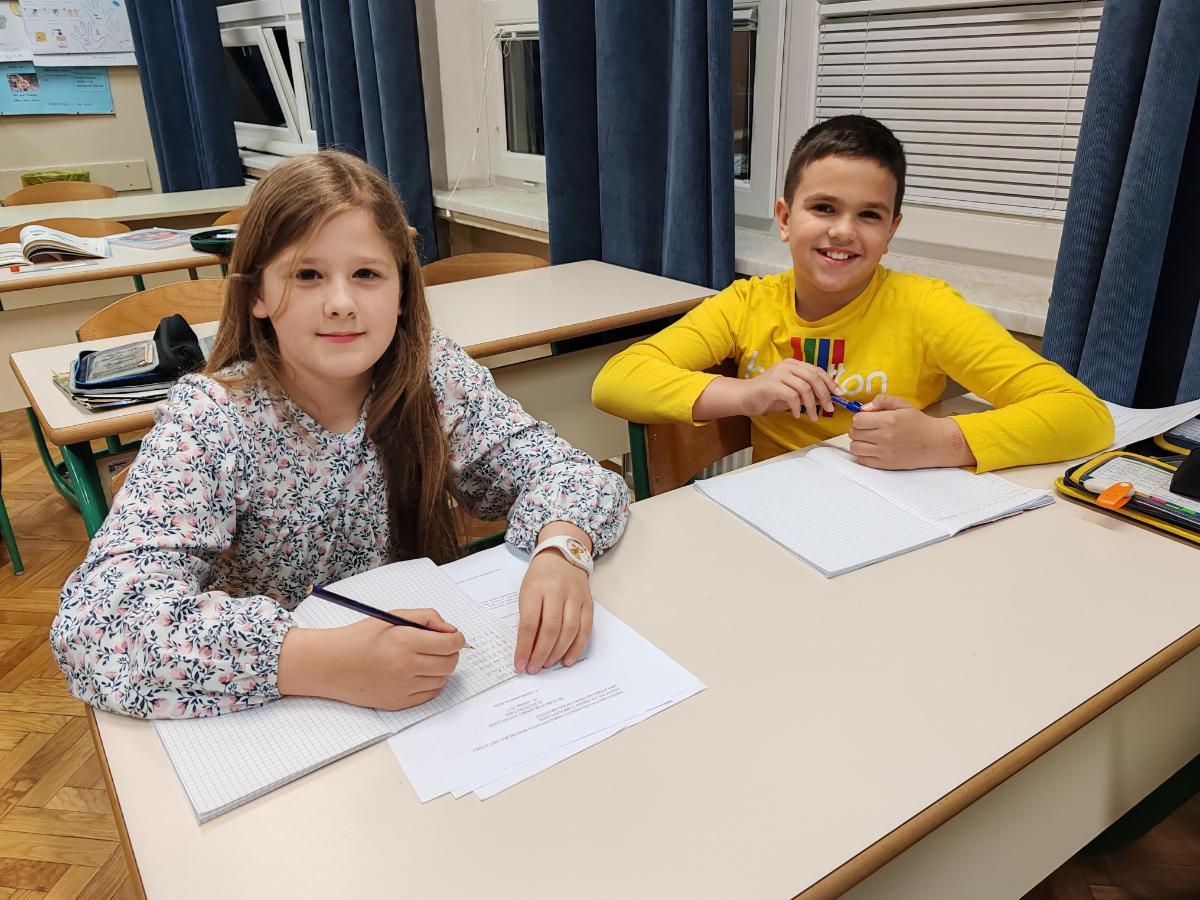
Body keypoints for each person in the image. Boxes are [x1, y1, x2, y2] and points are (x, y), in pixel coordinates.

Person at [51, 150, 629, 719]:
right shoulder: (212, 419)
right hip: (290, 710)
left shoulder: (432, 374)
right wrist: (320, 661)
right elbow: (95, 628)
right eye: (307, 275)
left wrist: (562, 551)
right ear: (256, 295)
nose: (341, 304)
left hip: (426, 687)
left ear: (402, 294)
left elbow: (567, 472)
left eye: (367, 275)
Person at [593, 115, 1113, 472]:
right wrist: (747, 395)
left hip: (897, 508)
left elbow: (1084, 416)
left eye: (869, 215)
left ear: (890, 232)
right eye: (823, 208)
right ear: (784, 219)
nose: (843, 231)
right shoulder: (746, 304)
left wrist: (939, 441)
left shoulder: (926, 308)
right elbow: (617, 380)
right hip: (779, 509)